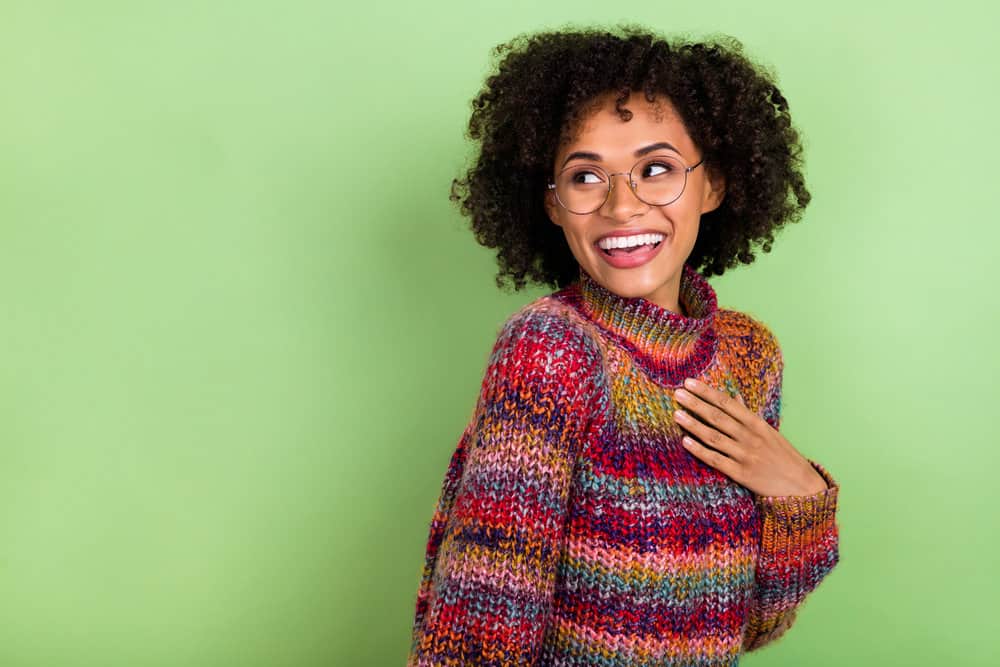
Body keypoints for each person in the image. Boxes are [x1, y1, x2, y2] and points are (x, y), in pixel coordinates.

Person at [407, 24, 840, 667]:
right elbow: (484, 619)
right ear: (553, 204)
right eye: (586, 177)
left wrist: (800, 495)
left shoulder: (750, 356)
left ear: (713, 185)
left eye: (656, 169)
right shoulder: (551, 349)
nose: (622, 206)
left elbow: (753, 623)